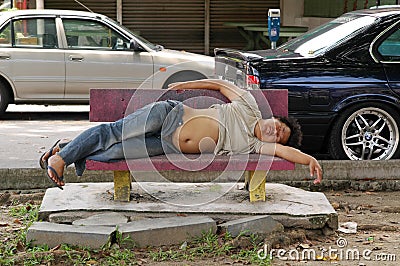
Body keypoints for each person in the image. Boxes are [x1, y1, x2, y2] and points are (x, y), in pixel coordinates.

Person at [40, 79, 322, 189]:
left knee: (114, 153)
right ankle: (60, 160)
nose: (275, 132)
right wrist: (188, 83)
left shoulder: (253, 145)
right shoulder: (249, 106)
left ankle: (66, 147)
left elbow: (286, 152)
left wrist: (309, 159)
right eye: (279, 126)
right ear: (272, 117)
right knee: (113, 133)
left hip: (167, 146)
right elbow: (220, 84)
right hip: (169, 115)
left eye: (279, 136)